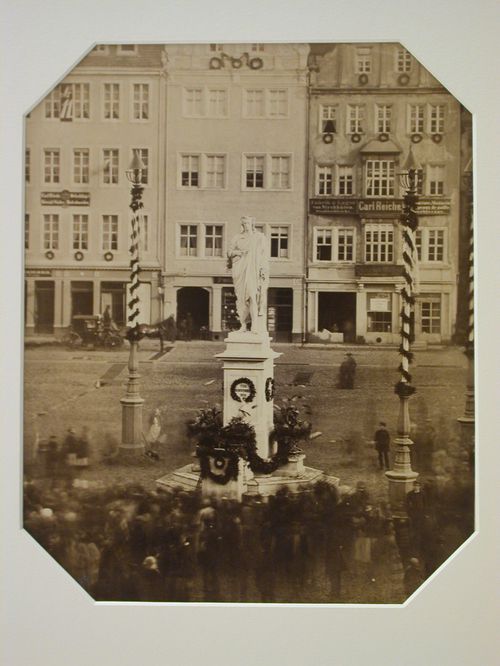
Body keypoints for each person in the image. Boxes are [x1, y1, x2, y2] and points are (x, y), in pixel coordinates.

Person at [227, 216, 269, 334]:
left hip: (253, 270)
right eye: (243, 223)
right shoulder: (237, 238)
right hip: (240, 270)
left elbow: (264, 255)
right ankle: (243, 325)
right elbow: (229, 252)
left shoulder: (259, 237)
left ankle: (255, 325)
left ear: (252, 224)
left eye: (247, 223)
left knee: (252, 296)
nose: (245, 225)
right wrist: (239, 252)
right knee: (241, 300)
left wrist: (263, 269)